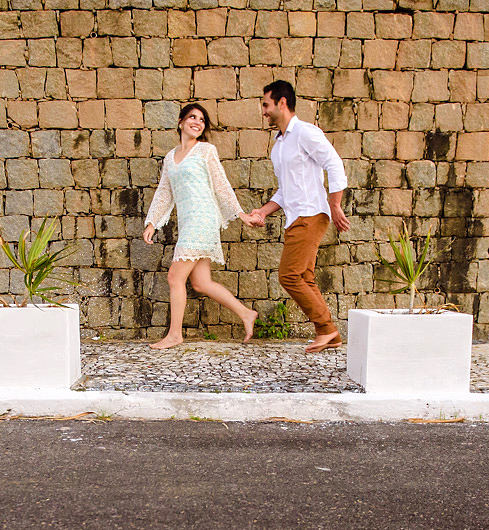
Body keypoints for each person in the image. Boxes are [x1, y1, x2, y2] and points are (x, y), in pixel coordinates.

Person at [143, 103, 261, 350]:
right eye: (192, 117)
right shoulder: (170, 157)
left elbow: (221, 184)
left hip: (203, 219)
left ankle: (175, 335)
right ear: (181, 122)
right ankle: (246, 313)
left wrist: (240, 214)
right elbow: (165, 191)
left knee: (175, 276)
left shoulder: (206, 150)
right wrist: (152, 221)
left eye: (202, 120)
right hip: (188, 221)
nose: (197, 122)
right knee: (201, 283)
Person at [246, 80, 351, 353]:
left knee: (289, 275)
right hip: (297, 216)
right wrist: (263, 211)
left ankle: (327, 329)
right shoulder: (279, 146)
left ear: (282, 103)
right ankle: (330, 335)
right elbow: (285, 190)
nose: (263, 111)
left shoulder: (305, 132)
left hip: (311, 213)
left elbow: (334, 163)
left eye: (266, 104)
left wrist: (335, 203)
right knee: (304, 276)